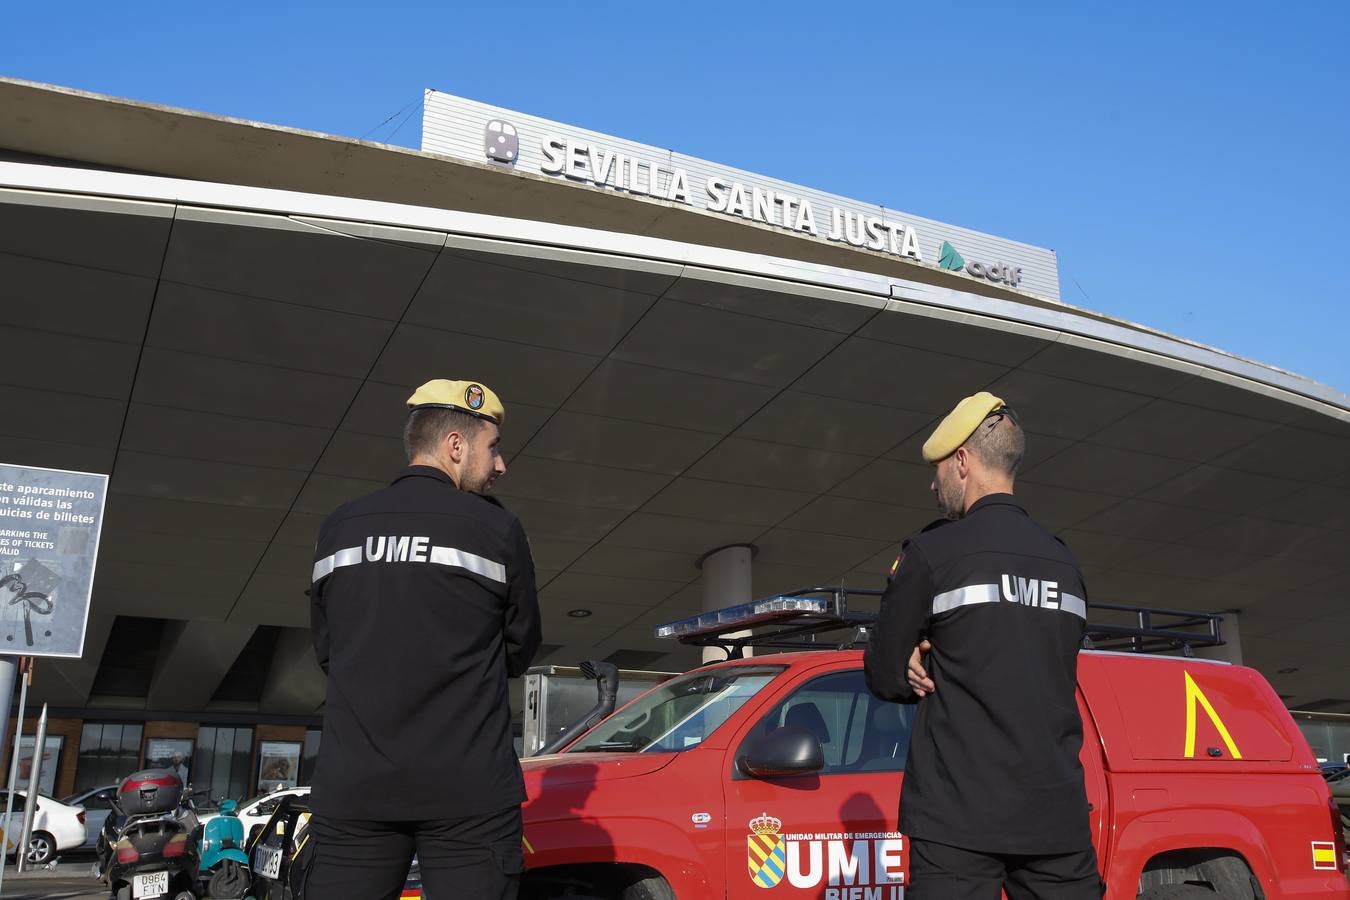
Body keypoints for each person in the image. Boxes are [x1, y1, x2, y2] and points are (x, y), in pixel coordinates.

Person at [307, 379, 542, 900]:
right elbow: (520, 646)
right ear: (456, 447)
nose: (499, 465)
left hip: (355, 788)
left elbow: (328, 651)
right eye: (493, 448)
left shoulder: (338, 528)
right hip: (469, 790)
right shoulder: (496, 530)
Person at [864, 391, 1100, 899]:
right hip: (1056, 817)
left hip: (957, 822)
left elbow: (883, 674)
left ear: (964, 462)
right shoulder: (1066, 563)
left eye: (940, 468)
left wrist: (912, 654)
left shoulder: (933, 553)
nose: (934, 482)